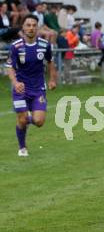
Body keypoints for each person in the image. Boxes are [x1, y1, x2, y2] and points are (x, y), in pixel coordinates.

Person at [6, 14, 57, 156]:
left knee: (39, 122)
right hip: (20, 89)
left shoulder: (44, 45)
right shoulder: (16, 46)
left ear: (38, 28)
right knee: (22, 121)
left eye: (34, 25)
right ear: (23, 27)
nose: (31, 28)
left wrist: (53, 79)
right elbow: (9, 66)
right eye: (28, 25)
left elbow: (51, 62)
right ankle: (22, 148)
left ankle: (26, 116)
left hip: (38, 89)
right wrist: (15, 83)